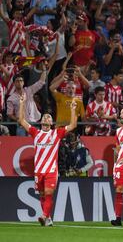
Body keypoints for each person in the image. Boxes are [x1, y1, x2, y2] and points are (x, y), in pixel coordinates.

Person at [18, 94, 77, 226]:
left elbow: (73, 125)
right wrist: (22, 103)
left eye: (49, 117)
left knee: (49, 193)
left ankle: (44, 216)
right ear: (41, 121)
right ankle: (48, 218)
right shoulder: (35, 133)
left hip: (51, 170)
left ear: (51, 122)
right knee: (43, 195)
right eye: (44, 116)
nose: (46, 118)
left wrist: (73, 109)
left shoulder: (57, 133)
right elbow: (21, 120)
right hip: (39, 170)